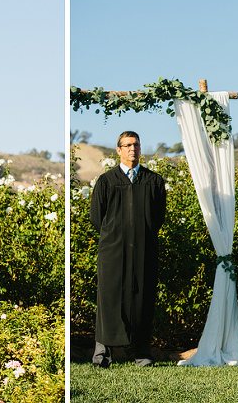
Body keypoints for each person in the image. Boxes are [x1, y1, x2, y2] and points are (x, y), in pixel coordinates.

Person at [89, 131, 166, 368]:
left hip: (144, 250)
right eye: (128, 145)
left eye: (136, 145)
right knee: (109, 299)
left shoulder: (153, 181)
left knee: (143, 299)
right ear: (119, 150)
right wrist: (116, 236)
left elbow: (158, 217)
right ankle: (103, 353)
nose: (133, 149)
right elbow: (96, 217)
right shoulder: (106, 181)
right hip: (113, 252)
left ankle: (143, 353)